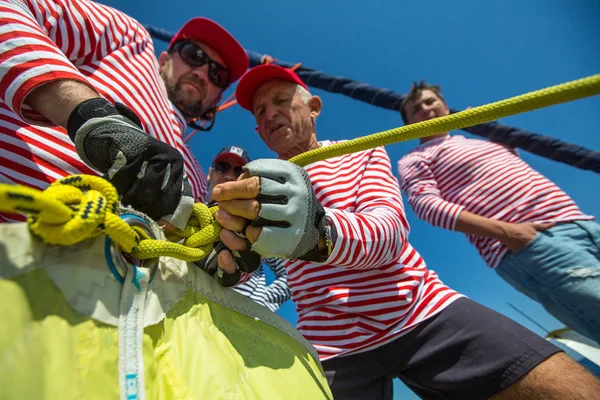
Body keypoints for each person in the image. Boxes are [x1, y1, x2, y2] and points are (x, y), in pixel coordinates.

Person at [209, 64, 600, 399]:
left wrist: (319, 233)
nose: (271, 113)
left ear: (313, 107)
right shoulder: (254, 183)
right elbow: (263, 263)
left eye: (280, 101)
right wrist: (234, 262)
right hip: (329, 344)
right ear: (259, 132)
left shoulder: (361, 150)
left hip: (421, 308)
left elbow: (391, 231)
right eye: (261, 111)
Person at [0, 0, 251, 273]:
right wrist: (89, 114)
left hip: (92, 297)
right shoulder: (130, 39)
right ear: (164, 59)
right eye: (194, 55)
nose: (202, 73)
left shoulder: (196, 180)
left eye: (218, 74)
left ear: (217, 98)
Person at [396, 81, 600, 344]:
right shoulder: (415, 158)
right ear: (408, 124)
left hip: (581, 222)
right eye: (416, 108)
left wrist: (489, 127)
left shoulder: (480, 140)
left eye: (430, 101)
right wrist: (509, 232)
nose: (426, 108)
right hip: (528, 242)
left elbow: (511, 163)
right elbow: (427, 206)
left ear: (445, 106)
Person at [207, 145, 291, 311]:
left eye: (238, 171)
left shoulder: (257, 222)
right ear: (210, 173)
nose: (229, 175)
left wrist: (263, 302)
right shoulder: (189, 215)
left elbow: (291, 272)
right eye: (222, 167)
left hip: (246, 320)